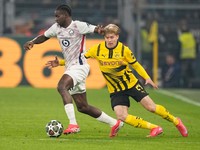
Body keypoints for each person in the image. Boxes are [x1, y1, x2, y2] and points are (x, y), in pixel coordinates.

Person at [49, 24, 188, 137]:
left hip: (131, 84)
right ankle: (154, 128)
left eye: (112, 37)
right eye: (107, 37)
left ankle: (176, 121)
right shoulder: (97, 49)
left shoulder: (124, 50)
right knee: (121, 116)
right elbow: (78, 59)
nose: (109, 40)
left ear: (117, 37)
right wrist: (60, 63)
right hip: (115, 89)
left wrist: (147, 78)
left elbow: (136, 64)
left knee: (151, 108)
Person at [23, 4, 123, 137]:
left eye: (57, 16)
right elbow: (45, 36)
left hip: (80, 67)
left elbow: (95, 29)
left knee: (61, 86)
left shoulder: (78, 25)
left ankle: (73, 124)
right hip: (71, 67)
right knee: (83, 107)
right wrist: (33, 42)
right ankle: (115, 123)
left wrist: (101, 30)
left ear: (66, 15)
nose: (55, 18)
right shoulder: (56, 28)